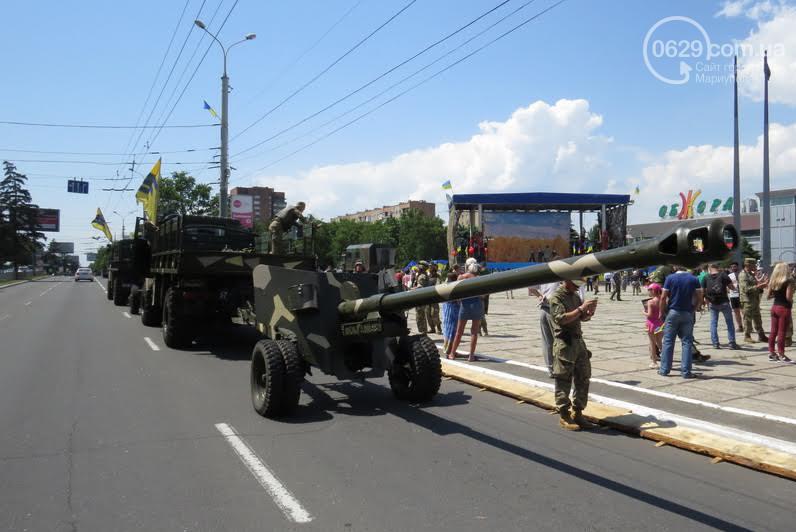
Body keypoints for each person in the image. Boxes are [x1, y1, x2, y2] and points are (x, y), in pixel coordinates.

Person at [550, 278, 598, 430]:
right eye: (575, 284)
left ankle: (578, 412)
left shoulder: (575, 296)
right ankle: (564, 415)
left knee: (583, 377)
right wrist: (581, 309)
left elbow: (580, 317)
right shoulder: (557, 297)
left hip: (578, 342)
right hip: (565, 343)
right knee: (563, 379)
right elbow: (561, 319)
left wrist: (588, 313)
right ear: (567, 281)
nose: (577, 288)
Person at [658, 266, 704, 378]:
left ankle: (664, 370)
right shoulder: (694, 279)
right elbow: (700, 296)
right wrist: (695, 308)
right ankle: (686, 372)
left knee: (668, 342)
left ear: (675, 267)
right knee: (687, 342)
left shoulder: (670, 278)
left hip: (673, 312)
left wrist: (661, 312)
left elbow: (663, 297)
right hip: (687, 313)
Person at [446, 262, 484, 362]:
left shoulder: (461, 277)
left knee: (459, 331)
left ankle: (452, 353)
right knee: (474, 332)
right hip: (477, 305)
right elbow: (483, 295)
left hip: (464, 305)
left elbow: (455, 292)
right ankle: (471, 356)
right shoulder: (479, 278)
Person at [701, 263, 740, 350]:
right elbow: (731, 287)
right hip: (724, 302)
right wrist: (734, 286)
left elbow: (702, 291)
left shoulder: (706, 277)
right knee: (729, 322)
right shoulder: (723, 275)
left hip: (712, 303)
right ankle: (732, 343)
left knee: (713, 323)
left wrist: (702, 302)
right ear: (717, 267)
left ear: (710, 268)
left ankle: (715, 343)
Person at [529, 281, 560, 377]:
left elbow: (531, 288)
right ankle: (560, 368)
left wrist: (540, 296)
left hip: (544, 309)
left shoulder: (545, 272)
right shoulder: (560, 270)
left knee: (547, 342)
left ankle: (551, 369)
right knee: (560, 340)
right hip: (556, 310)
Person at [766, 262, 794, 362]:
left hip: (774, 307)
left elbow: (768, 296)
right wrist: (791, 300)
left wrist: (777, 295)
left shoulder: (773, 280)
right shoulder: (789, 281)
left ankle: (772, 353)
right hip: (784, 308)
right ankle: (782, 354)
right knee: (782, 332)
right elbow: (788, 297)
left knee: (773, 331)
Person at [738, 258, 769, 344]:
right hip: (747, 301)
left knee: (758, 318)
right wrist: (760, 286)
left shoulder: (750, 274)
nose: (755, 266)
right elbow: (746, 289)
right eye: (754, 265)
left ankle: (761, 336)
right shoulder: (743, 275)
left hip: (754, 300)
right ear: (748, 265)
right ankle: (747, 336)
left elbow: (753, 285)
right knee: (747, 319)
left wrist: (760, 283)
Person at [643, 283, 664, 369]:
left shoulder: (650, 301)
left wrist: (643, 312)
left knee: (652, 342)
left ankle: (654, 362)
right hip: (660, 324)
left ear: (653, 291)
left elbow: (650, 315)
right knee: (659, 342)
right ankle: (666, 358)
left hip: (651, 324)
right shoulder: (663, 300)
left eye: (649, 290)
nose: (648, 292)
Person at [441, 271, 461, 353]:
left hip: (446, 308)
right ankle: (450, 349)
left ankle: (446, 347)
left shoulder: (444, 286)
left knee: (446, 328)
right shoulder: (455, 287)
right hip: (453, 308)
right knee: (452, 328)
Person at [413, 261, 430, 334]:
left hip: (420, 298)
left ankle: (423, 332)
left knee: (420, 316)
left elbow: (421, 287)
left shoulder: (422, 276)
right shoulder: (421, 275)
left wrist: (412, 289)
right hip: (419, 298)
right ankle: (423, 332)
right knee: (420, 316)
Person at [727, 262, 744, 333]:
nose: (733, 268)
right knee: (736, 312)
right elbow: (727, 286)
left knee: (744, 311)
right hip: (733, 296)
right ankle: (740, 326)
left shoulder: (742, 274)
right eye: (732, 267)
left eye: (735, 266)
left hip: (742, 295)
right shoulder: (729, 276)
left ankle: (748, 326)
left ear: (738, 267)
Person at [427, 263, 442, 334]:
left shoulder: (437, 277)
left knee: (434, 313)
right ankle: (432, 328)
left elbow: (439, 286)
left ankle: (439, 328)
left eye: (431, 269)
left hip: (434, 298)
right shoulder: (428, 276)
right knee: (428, 314)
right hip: (427, 298)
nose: (430, 270)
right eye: (429, 269)